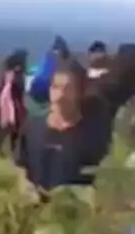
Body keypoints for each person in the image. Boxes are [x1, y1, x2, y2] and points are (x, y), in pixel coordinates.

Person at [16, 58, 114, 194]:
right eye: (56, 87)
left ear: (80, 93)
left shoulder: (93, 135)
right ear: (49, 90)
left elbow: (100, 180)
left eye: (68, 89)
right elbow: (20, 167)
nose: (60, 95)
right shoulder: (32, 128)